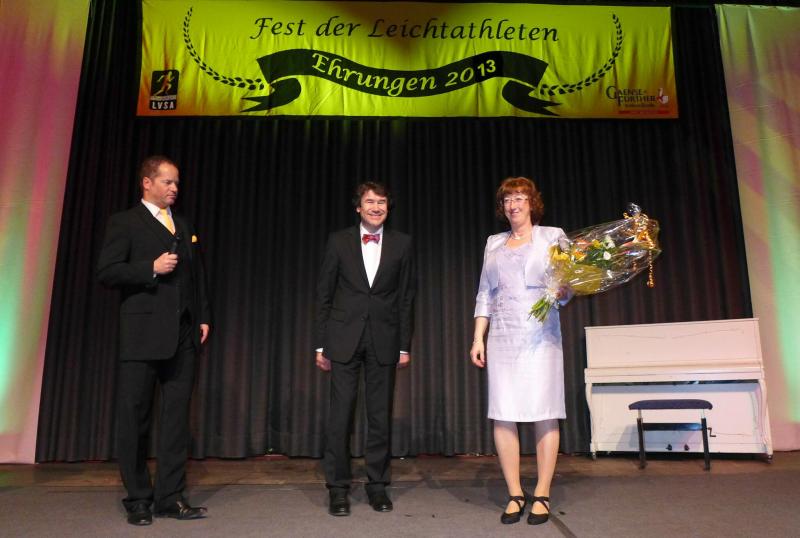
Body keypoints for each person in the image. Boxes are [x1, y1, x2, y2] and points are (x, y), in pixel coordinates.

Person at [97, 155, 211, 526]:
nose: (174, 188)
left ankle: (170, 497)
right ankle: (138, 498)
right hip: (143, 334)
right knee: (135, 417)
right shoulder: (125, 222)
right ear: (147, 183)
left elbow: (197, 275)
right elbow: (108, 271)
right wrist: (150, 268)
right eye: (167, 181)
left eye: (177, 182)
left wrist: (203, 316)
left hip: (183, 334)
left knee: (177, 419)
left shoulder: (184, 224)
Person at [469, 176, 572, 526]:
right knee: (503, 412)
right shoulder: (493, 243)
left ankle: (542, 492)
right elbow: (485, 293)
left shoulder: (553, 236)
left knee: (545, 411)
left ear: (532, 203)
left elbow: (567, 287)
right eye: (507, 199)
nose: (513, 204)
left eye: (519, 198)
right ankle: (515, 492)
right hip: (503, 336)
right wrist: (478, 337)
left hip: (541, 336)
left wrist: (564, 291)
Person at [314, 181, 416, 516]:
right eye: (370, 202)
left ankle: (378, 485)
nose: (376, 207)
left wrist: (404, 346)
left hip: (384, 339)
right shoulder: (338, 241)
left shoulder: (402, 243)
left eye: (381, 202)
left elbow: (406, 298)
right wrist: (321, 344)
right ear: (358, 207)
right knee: (340, 416)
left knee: (380, 416)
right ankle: (338, 488)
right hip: (343, 338)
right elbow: (324, 294)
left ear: (388, 207)